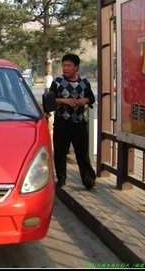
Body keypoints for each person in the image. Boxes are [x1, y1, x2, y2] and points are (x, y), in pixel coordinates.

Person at [49, 53, 96, 190]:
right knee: (60, 152)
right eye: (64, 66)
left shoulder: (84, 82)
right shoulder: (57, 82)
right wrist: (64, 101)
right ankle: (61, 180)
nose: (65, 68)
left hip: (79, 123)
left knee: (82, 154)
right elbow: (50, 100)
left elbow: (91, 98)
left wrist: (84, 101)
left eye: (69, 66)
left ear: (76, 67)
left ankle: (89, 181)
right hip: (61, 122)